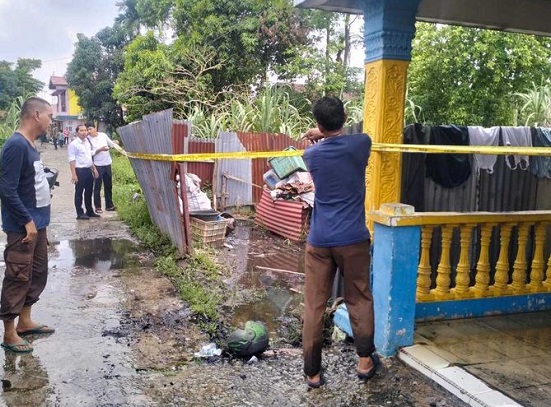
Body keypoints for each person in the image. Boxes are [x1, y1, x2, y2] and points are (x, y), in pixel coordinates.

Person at [300, 96, 378, 388]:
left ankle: (313, 373)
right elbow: (346, 134)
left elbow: (324, 137)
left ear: (318, 123)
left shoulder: (312, 156)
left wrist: (316, 134)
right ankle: (364, 362)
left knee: (314, 306)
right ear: (345, 117)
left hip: (320, 241)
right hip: (353, 239)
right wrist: (324, 130)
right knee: (359, 297)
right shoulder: (362, 144)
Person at [0, 97, 56, 353]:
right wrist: (26, 221)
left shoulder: (31, 145)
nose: (50, 121)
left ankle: (25, 322)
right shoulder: (15, 145)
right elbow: (6, 190)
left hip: (37, 225)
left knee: (36, 273)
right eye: (49, 116)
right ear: (36, 115)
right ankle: (9, 333)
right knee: (17, 276)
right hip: (23, 228)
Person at [85, 121, 118, 213]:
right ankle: (98, 206)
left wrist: (115, 143)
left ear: (95, 128)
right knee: (97, 187)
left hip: (107, 163)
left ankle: (109, 205)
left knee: (108, 185)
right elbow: (89, 153)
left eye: (90, 129)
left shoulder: (103, 135)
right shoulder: (87, 140)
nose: (89, 131)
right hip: (97, 165)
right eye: (87, 130)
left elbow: (111, 144)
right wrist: (100, 149)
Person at [68, 124, 99, 220]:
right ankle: (79, 213)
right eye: (81, 130)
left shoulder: (87, 142)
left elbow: (89, 157)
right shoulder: (73, 144)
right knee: (79, 192)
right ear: (77, 132)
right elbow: (72, 160)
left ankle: (89, 211)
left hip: (88, 169)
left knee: (89, 191)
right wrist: (74, 174)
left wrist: (94, 168)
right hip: (79, 170)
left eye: (85, 130)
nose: (84, 132)